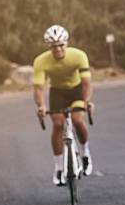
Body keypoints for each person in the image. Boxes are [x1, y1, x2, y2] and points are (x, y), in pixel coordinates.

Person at [33, 25, 94, 186]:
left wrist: (86, 102)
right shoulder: (41, 61)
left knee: (77, 119)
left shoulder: (79, 56)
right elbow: (39, 88)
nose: (58, 49)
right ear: (49, 46)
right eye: (53, 46)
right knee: (58, 124)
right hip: (57, 92)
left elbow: (87, 84)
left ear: (66, 43)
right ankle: (59, 167)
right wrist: (41, 106)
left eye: (61, 45)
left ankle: (85, 153)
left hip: (76, 90)